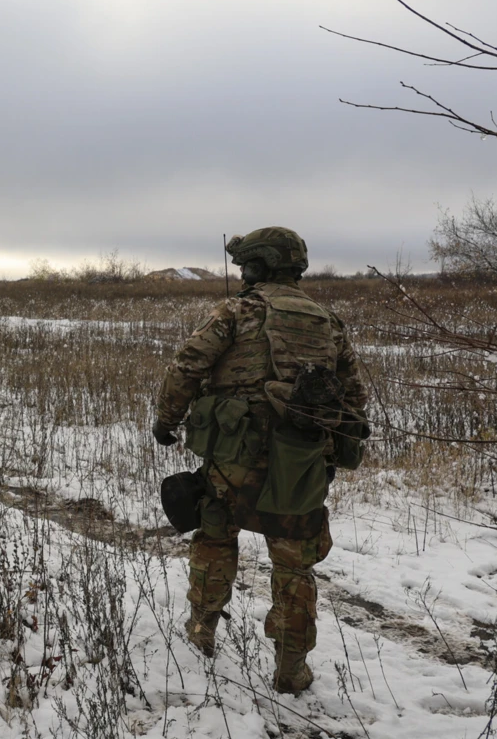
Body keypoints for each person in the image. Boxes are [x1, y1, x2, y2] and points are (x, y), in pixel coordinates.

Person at [151, 227, 368, 693]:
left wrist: (165, 421)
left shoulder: (237, 310)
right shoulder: (328, 321)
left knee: (214, 539)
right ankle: (291, 669)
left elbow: (187, 366)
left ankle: (201, 630)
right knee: (294, 566)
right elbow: (354, 396)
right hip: (302, 464)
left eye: (245, 265)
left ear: (257, 266)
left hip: (233, 459)